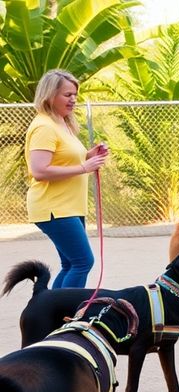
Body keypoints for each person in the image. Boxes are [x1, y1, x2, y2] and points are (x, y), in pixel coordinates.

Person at [25, 69, 108, 289]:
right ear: (50, 95)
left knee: (71, 263)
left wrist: (90, 155)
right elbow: (39, 170)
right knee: (83, 262)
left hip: (69, 206)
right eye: (67, 95)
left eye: (75, 95)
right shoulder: (44, 127)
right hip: (54, 207)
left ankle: (51, 311)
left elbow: (65, 159)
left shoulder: (62, 123)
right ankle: (67, 312)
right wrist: (84, 167)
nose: (73, 99)